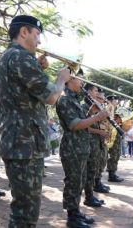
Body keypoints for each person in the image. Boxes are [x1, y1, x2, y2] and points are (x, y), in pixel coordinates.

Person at [0, 15, 71, 227]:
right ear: (24, 32)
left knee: (24, 208)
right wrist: (62, 78)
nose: (39, 41)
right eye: (37, 35)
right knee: (25, 213)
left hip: (18, 140)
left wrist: (39, 69)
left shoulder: (9, 58)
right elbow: (52, 97)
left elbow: (22, 92)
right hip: (24, 143)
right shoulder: (21, 58)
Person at [56, 69, 109, 228]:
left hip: (80, 147)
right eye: (80, 80)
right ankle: (72, 217)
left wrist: (91, 113)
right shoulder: (65, 100)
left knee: (79, 181)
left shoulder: (73, 99)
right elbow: (74, 124)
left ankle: (76, 211)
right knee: (73, 182)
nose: (82, 83)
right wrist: (97, 117)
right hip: (72, 148)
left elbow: (82, 121)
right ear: (69, 80)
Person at [82, 83, 107, 207]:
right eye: (95, 91)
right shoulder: (84, 106)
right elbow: (83, 126)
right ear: (89, 91)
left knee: (93, 170)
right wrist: (99, 131)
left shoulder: (93, 106)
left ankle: (90, 195)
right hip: (88, 142)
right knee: (89, 171)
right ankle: (88, 196)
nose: (97, 94)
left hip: (95, 143)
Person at [106, 114, 124, 182]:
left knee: (116, 157)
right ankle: (111, 175)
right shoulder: (112, 123)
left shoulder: (118, 124)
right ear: (117, 117)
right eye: (120, 118)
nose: (121, 119)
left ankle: (113, 173)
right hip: (113, 144)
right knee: (113, 158)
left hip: (117, 143)